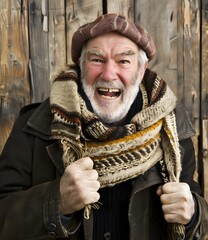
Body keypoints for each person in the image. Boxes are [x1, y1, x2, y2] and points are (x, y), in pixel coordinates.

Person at [0, 13, 207, 240]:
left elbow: (196, 213)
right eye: (96, 59)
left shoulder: (171, 130)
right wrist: (56, 202)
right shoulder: (35, 127)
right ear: (81, 65)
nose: (109, 74)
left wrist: (193, 214)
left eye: (124, 61)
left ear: (141, 69)